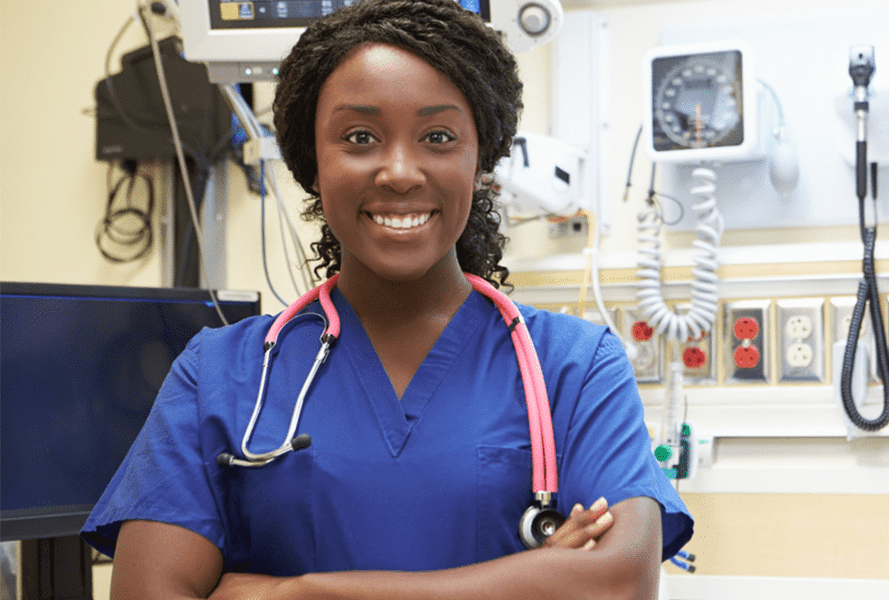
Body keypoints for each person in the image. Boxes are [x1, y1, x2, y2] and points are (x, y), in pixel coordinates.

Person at [80, 0, 693, 598]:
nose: (399, 171)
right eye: (360, 136)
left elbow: (619, 582)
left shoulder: (574, 367)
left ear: (480, 158)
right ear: (310, 164)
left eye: (438, 136)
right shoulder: (220, 372)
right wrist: (532, 581)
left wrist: (291, 593)